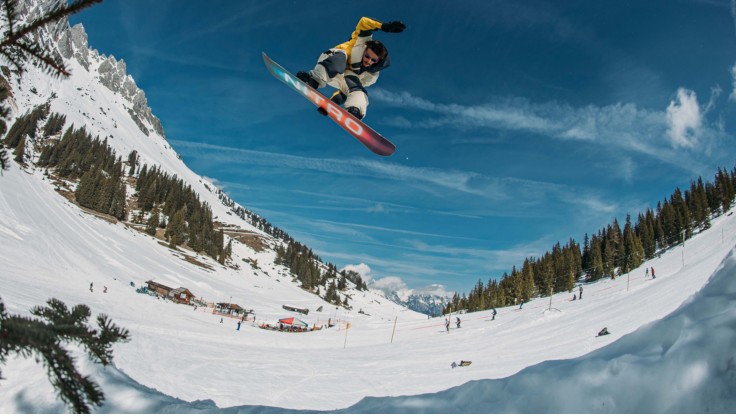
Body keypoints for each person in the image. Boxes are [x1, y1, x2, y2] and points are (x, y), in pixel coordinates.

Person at [297, 17, 406, 121]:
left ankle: (355, 110)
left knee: (357, 87)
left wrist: (332, 103)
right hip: (331, 63)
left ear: (378, 62)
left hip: (343, 79)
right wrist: (384, 26)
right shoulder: (358, 42)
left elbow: (347, 90)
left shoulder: (371, 76)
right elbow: (364, 22)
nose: (368, 61)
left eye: (373, 60)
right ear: (364, 50)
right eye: (367, 56)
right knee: (341, 57)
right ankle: (313, 80)